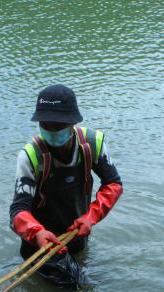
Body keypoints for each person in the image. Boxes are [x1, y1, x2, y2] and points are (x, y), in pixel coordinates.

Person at [9, 84, 123, 268]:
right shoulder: (30, 155)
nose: (52, 131)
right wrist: (36, 233)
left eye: (59, 125)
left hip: (78, 235)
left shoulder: (92, 144)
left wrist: (91, 217)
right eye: (46, 125)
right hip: (39, 246)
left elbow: (114, 184)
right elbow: (17, 211)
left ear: (73, 123)